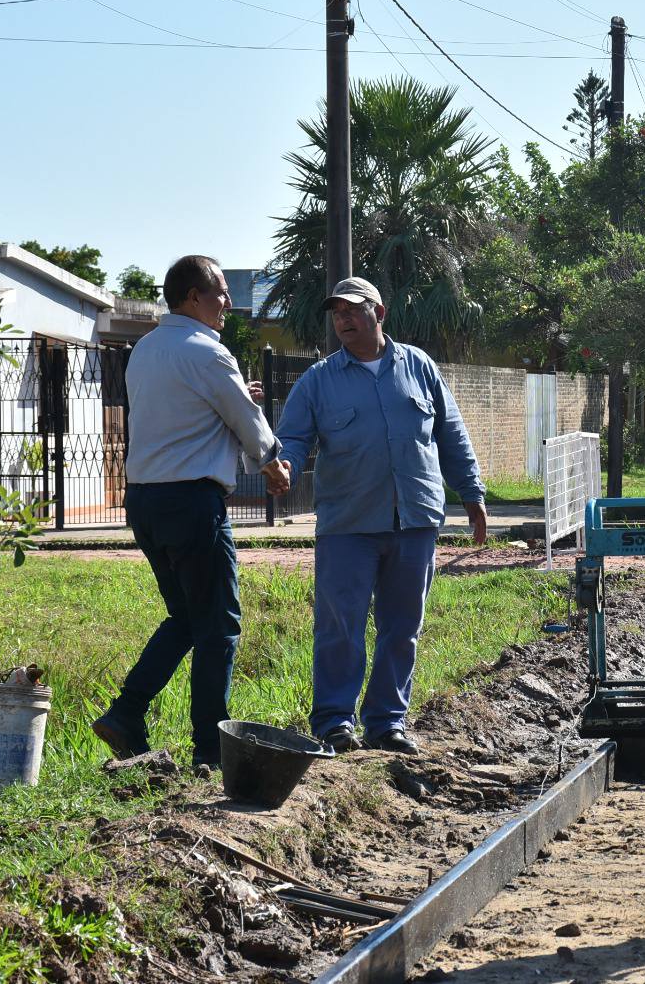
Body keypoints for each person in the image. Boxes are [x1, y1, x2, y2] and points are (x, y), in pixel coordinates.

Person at [93, 256, 290, 777]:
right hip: (191, 503)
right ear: (191, 297)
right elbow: (246, 420)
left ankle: (126, 712)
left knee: (186, 616)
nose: (228, 301)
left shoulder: (146, 350)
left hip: (146, 502)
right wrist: (272, 464)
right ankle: (210, 747)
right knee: (219, 625)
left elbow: (186, 413)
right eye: (220, 292)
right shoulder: (208, 351)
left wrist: (236, 394)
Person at [275, 277, 488, 756]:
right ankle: (334, 722)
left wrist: (472, 493)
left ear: (379, 313)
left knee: (402, 626)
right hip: (348, 524)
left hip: (414, 519)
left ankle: (387, 723)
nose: (344, 320)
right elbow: (293, 438)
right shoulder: (318, 380)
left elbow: (451, 433)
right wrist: (284, 465)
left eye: (353, 310)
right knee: (340, 626)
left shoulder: (419, 366)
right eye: (337, 313)